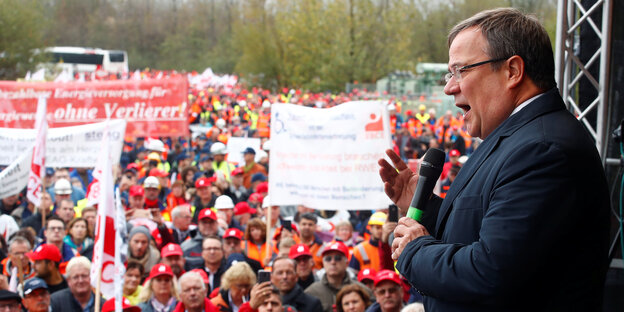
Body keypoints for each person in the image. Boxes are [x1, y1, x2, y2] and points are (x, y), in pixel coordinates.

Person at [380, 8, 610, 311]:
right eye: (450, 74)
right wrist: (426, 210)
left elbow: (491, 272)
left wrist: (415, 250)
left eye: (461, 71)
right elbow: (487, 235)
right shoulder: (518, 138)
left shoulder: (543, 150)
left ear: (512, 71)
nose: (449, 87)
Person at [304, 242, 372, 312]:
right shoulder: (311, 292)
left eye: (338, 258)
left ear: (347, 263)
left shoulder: (363, 291)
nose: (333, 262)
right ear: (323, 263)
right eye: (328, 259)